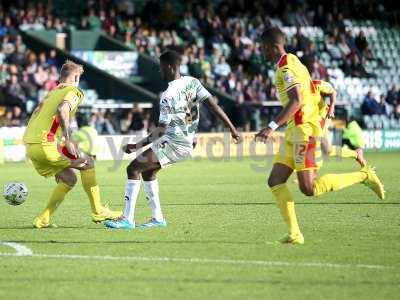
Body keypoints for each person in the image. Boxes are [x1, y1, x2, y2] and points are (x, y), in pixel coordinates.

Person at [255, 27, 384, 245]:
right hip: (294, 131)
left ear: (271, 47)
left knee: (309, 188)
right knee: (275, 180)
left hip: (303, 131)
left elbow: (296, 100)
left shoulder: (286, 66)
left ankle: (364, 176)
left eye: (263, 49)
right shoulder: (293, 60)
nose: (262, 53)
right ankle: (295, 234)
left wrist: (271, 126)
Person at [105, 50, 241, 229]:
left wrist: (135, 146)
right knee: (148, 172)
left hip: (174, 143)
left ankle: (127, 219)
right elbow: (213, 105)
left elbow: (161, 130)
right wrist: (232, 128)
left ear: (169, 67)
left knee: (133, 168)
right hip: (185, 142)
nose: (160, 72)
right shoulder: (193, 82)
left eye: (161, 68)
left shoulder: (168, 95)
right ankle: (157, 218)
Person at [23, 60, 120, 228]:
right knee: (88, 163)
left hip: (32, 146)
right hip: (47, 144)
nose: (78, 81)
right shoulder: (74, 91)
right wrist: (68, 138)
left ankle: (43, 218)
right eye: (78, 77)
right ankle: (98, 211)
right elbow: (63, 109)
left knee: (69, 179)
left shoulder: (51, 93)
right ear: (75, 76)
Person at [313, 79, 366, 166]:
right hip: (318, 121)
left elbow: (333, 92)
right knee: (326, 150)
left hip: (323, 121)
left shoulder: (316, 85)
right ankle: (358, 157)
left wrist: (332, 108)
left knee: (317, 148)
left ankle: (365, 168)